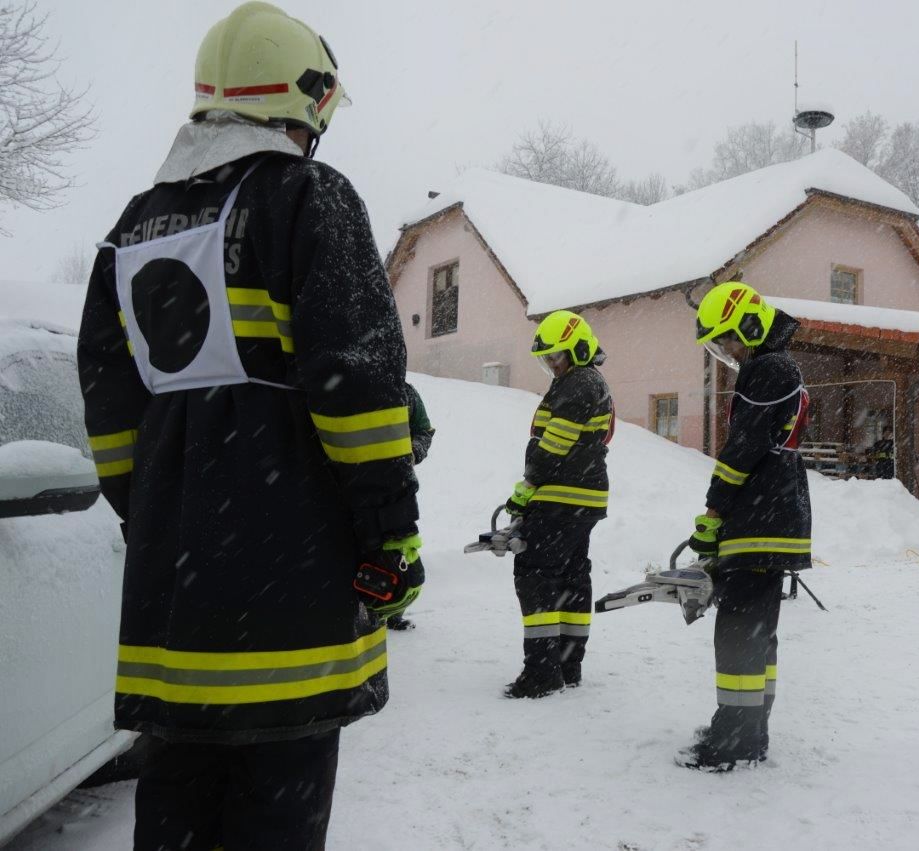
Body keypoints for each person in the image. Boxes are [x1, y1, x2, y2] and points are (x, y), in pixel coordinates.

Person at [76, 5, 422, 848]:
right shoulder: (306, 197)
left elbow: (111, 418)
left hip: (174, 620)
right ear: (305, 101)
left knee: (177, 815)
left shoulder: (128, 231)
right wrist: (390, 535)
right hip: (288, 614)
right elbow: (357, 389)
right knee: (275, 820)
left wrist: (160, 515)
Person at [679, 282, 812, 772]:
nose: (728, 352)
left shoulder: (767, 369)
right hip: (773, 512)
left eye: (728, 339)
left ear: (750, 327)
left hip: (760, 514)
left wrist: (714, 511)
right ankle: (751, 730)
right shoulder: (780, 366)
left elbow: (743, 448)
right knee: (758, 632)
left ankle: (733, 739)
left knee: (738, 630)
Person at [502, 310, 613, 698]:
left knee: (536, 575)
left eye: (556, 355)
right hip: (583, 497)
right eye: (547, 357)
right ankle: (567, 665)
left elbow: (554, 443)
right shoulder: (588, 381)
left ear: (578, 349)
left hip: (560, 495)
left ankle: (542, 673)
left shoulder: (577, 382)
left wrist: (528, 484)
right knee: (571, 577)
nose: (551, 363)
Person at [387, 383, 436, 631]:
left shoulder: (405, 392)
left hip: (397, 484)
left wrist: (412, 453)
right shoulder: (351, 382)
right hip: (350, 482)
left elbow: (424, 431)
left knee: (400, 545)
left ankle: (392, 608)